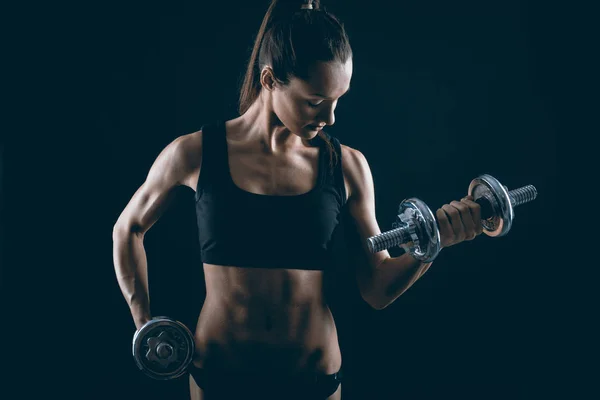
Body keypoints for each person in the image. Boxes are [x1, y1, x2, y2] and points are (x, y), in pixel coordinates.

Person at [112, 0, 484, 399]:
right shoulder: (195, 153)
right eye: (315, 101)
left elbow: (377, 288)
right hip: (220, 378)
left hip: (314, 380)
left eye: (338, 99)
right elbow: (127, 228)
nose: (331, 116)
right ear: (270, 80)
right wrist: (144, 323)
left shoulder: (347, 167)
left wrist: (431, 245)